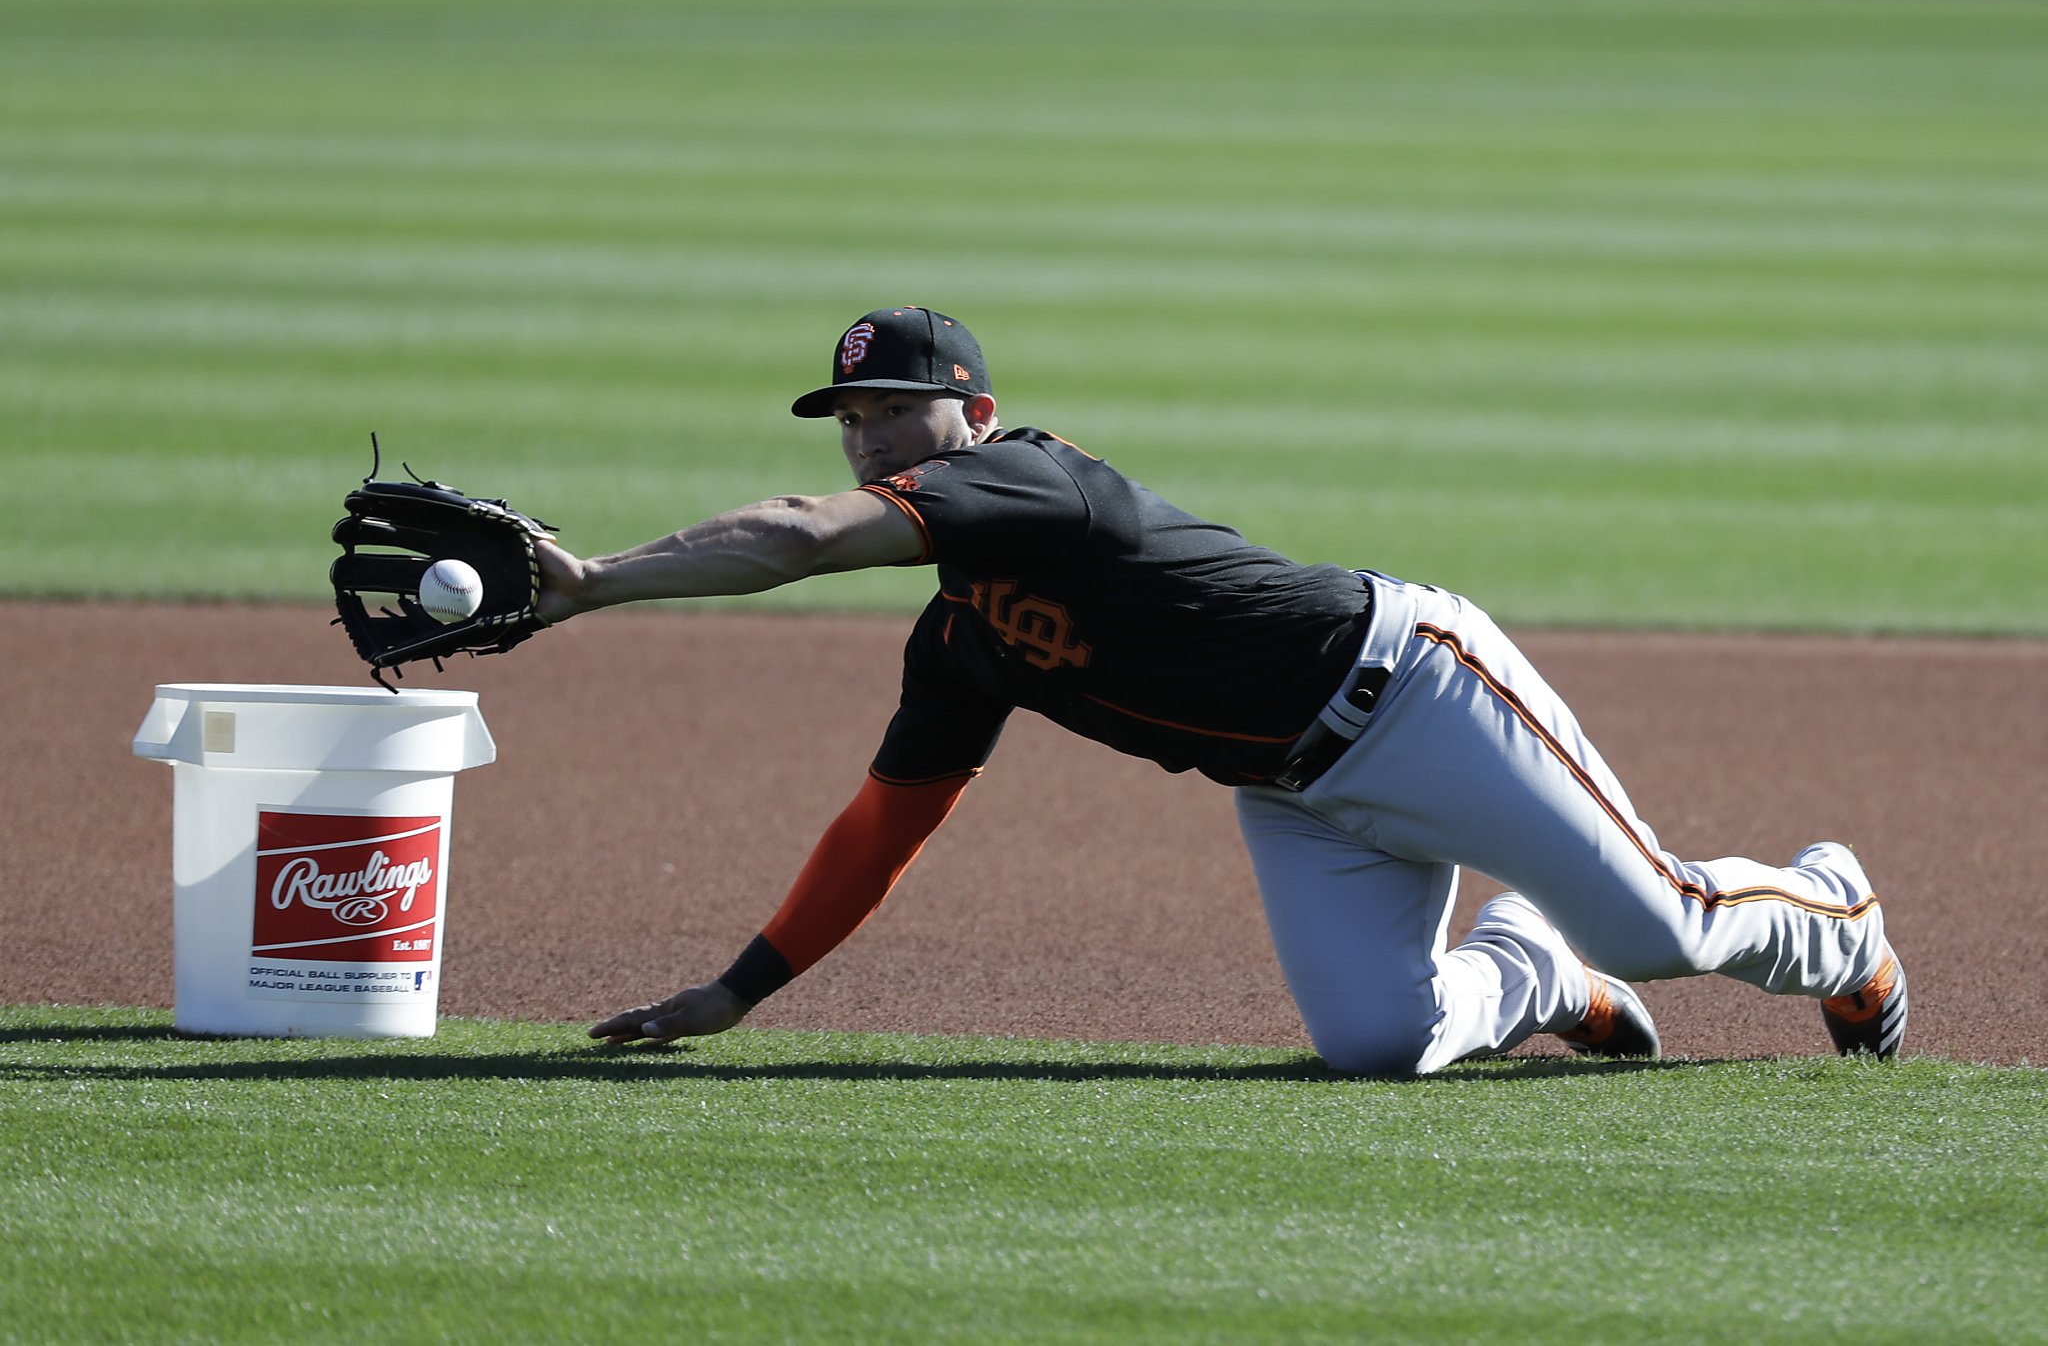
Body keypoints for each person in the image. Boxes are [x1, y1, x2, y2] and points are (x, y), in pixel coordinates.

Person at [536, 306, 1907, 1075]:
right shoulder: (958, 640)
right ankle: (1533, 965)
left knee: (1663, 922)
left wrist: (590, 580)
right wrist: (737, 989)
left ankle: (1838, 912)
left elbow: (798, 533)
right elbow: (884, 828)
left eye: (898, 407)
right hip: (1301, 793)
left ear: (976, 421)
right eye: (851, 418)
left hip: (1417, 689)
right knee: (1381, 1040)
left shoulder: (1033, 478)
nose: (868, 434)